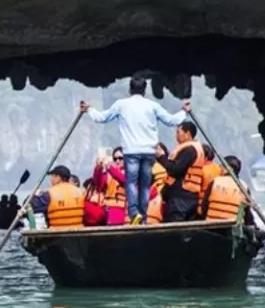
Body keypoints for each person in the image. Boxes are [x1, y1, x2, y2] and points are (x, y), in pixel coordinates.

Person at [78, 80, 192, 223]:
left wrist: (89, 110)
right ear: (144, 91)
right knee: (144, 185)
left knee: (131, 183)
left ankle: (133, 213)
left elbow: (102, 117)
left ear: (130, 90)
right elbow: (171, 120)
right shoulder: (152, 106)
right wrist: (183, 112)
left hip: (131, 151)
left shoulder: (121, 104)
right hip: (149, 151)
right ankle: (143, 217)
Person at [159, 120, 206, 223]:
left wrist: (162, 157)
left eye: (178, 132)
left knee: (174, 227)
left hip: (181, 197)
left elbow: (176, 169)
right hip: (188, 196)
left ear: (188, 134)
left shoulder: (190, 149)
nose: (176, 136)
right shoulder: (195, 148)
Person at [202, 156, 247, 224]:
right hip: (233, 227)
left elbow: (204, 206)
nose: (220, 168)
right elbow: (247, 212)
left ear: (228, 168)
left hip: (212, 225)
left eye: (222, 166)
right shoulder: (244, 186)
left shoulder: (215, 181)